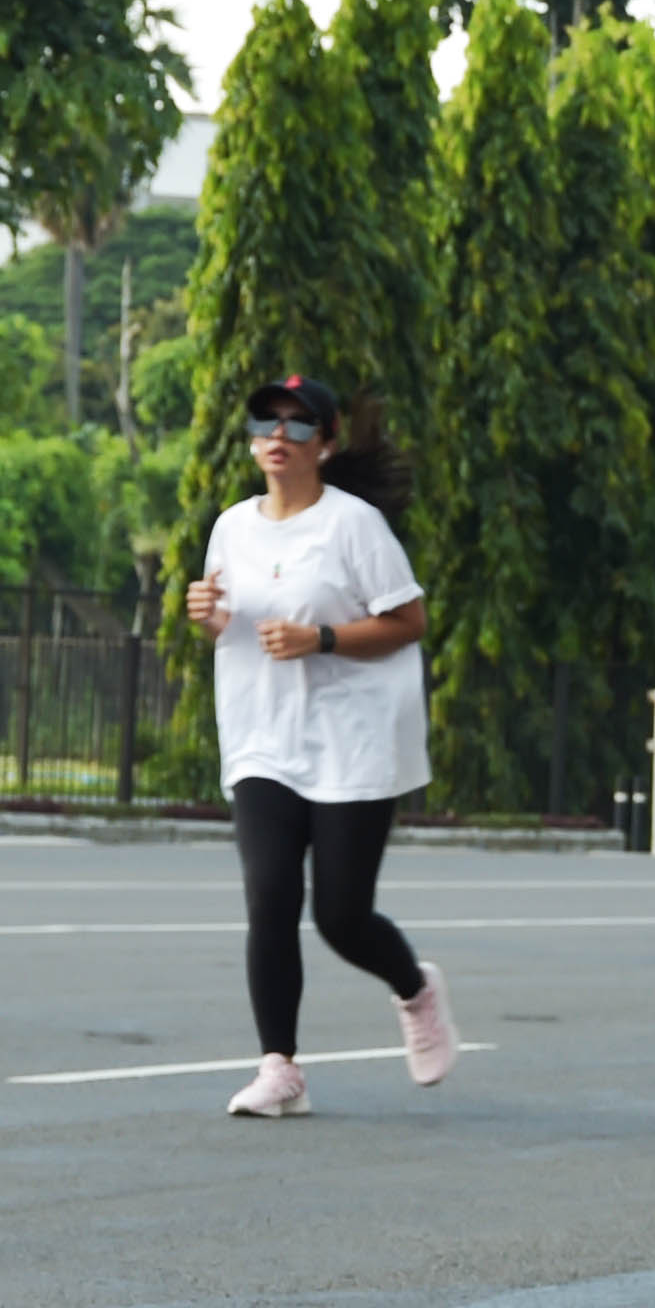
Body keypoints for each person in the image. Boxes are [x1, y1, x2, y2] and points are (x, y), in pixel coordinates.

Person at [183, 375, 456, 1118]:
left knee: (341, 917)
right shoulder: (232, 527)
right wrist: (205, 615)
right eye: (267, 422)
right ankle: (280, 1069)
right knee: (270, 896)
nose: (280, 436)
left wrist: (323, 638)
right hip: (262, 736)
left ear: (326, 444)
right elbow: (226, 623)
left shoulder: (353, 525)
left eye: (300, 426)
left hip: (353, 740)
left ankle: (415, 988)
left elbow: (409, 621)